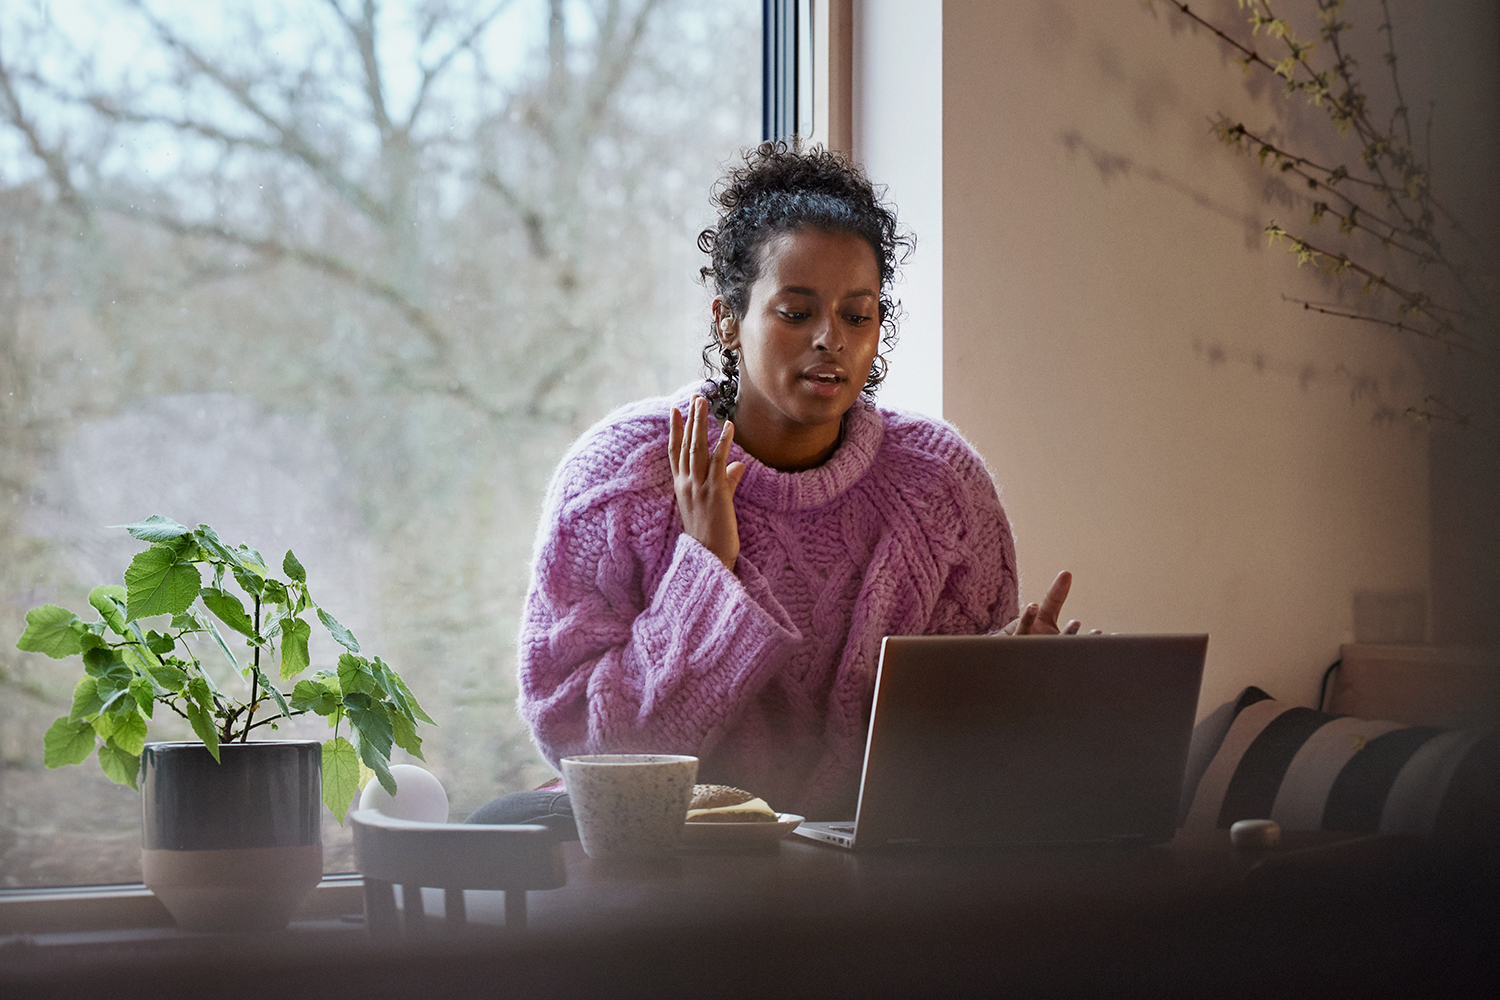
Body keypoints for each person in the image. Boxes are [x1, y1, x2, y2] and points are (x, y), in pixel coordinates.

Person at [468, 143, 1081, 831]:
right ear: (729, 319)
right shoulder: (620, 478)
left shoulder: (942, 486)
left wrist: (1014, 681)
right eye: (796, 313)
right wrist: (704, 570)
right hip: (667, 869)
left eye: (858, 315)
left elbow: (959, 781)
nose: (831, 339)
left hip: (863, 881)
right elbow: (582, 742)